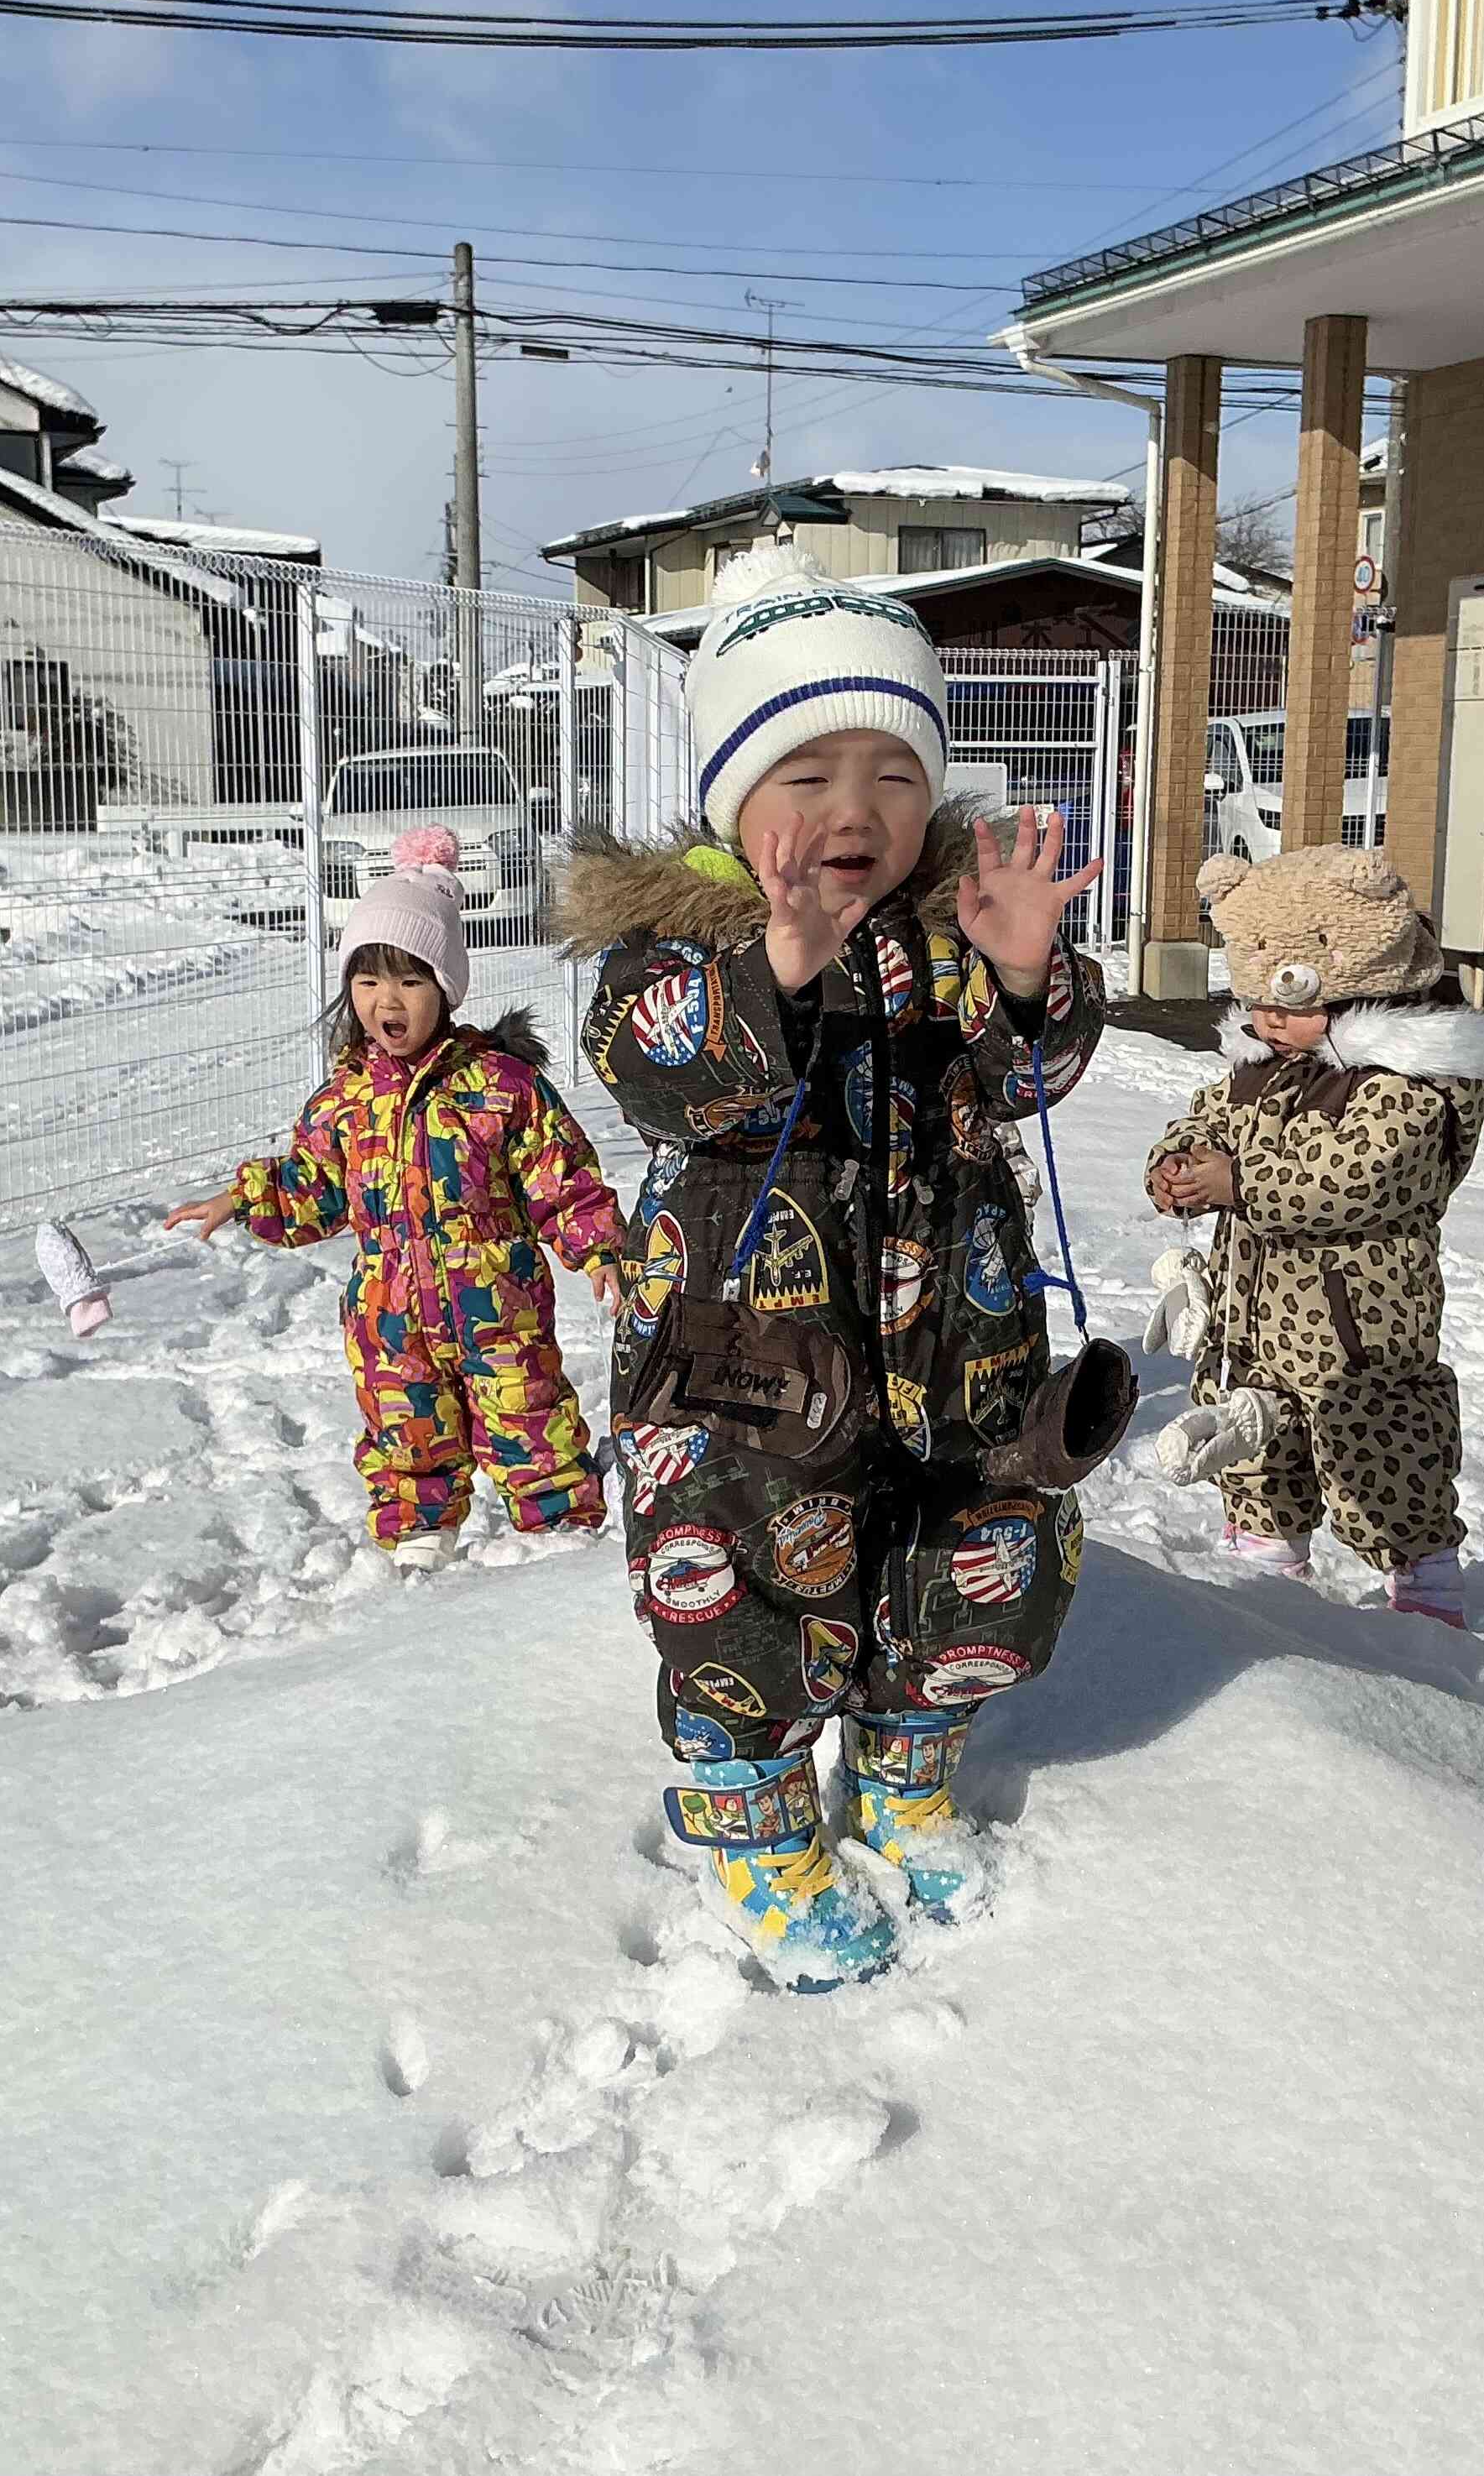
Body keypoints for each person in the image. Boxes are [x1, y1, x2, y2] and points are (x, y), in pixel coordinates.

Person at [552, 543, 1106, 1990]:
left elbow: (1027, 1084)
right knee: (745, 1583)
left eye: (893, 771)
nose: (854, 810)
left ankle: (907, 1780)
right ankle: (756, 1820)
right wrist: (776, 967)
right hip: (752, 1363)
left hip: (957, 1337)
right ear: (737, 795)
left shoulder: (953, 931)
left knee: (966, 1563)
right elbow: (651, 1069)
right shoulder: (668, 939)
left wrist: (1033, 978)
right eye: (808, 774)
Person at [166, 827, 622, 1569]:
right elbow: (312, 1189)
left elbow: (560, 1175)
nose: (388, 1000)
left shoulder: (498, 1085)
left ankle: (561, 1556)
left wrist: (598, 1248)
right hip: (391, 1327)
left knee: (533, 1430)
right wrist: (245, 1199)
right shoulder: (342, 1101)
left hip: (498, 1314)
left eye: (410, 980)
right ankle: (417, 1560)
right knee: (407, 1444)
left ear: (443, 988)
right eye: (369, 980)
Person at [1142, 844, 1484, 1627]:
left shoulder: (1414, 1086)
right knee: (1256, 1439)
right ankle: (1267, 1574)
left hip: (1361, 1325)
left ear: (1361, 992)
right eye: (1259, 1004)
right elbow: (1205, 1119)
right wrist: (1177, 1166)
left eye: (1292, 1005)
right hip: (1255, 1314)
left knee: (1381, 1449)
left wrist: (1238, 1184)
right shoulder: (1264, 1066)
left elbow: (1355, 1177)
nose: (1270, 1022)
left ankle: (1426, 1593)